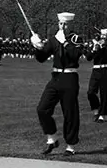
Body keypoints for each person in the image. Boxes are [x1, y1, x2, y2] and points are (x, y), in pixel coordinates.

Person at [31, 12, 83, 155]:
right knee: (42, 108)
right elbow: (42, 58)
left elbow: (74, 55)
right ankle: (52, 138)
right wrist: (38, 47)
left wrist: (64, 42)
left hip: (70, 78)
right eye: (60, 23)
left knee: (70, 112)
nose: (62, 26)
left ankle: (71, 145)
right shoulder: (54, 39)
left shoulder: (76, 39)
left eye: (65, 24)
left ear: (70, 25)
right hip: (56, 78)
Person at [85, 28, 107, 122]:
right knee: (90, 92)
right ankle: (96, 110)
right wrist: (95, 49)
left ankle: (102, 115)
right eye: (102, 35)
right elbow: (88, 58)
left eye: (106, 35)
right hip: (96, 70)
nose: (103, 37)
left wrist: (105, 48)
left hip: (105, 70)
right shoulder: (95, 44)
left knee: (104, 93)